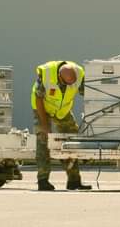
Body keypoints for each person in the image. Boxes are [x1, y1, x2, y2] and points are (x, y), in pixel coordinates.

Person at [32, 60, 92, 191]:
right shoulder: (46, 74)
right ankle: (43, 180)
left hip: (62, 110)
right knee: (43, 141)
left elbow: (89, 94)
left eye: (72, 83)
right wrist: (44, 124)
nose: (71, 85)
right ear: (60, 77)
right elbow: (38, 99)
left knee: (73, 140)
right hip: (42, 108)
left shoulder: (78, 74)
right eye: (67, 83)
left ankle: (74, 181)